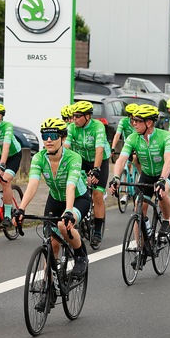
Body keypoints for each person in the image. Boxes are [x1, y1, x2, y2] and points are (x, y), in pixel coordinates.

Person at [13, 118, 90, 301]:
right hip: (55, 199)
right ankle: (49, 286)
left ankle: (80, 256)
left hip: (78, 198)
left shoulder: (73, 158)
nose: (48, 140)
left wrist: (69, 211)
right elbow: (32, 184)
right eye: (45, 136)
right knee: (52, 243)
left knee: (64, 226)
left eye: (53, 136)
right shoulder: (39, 158)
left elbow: (71, 186)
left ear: (62, 138)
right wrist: (21, 209)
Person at [110, 104, 170, 268]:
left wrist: (162, 179)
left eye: (137, 121)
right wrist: (116, 177)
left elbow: (168, 160)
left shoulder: (165, 136)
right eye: (132, 120)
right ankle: (141, 248)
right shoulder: (133, 138)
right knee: (139, 209)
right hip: (147, 174)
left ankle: (167, 220)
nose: (133, 124)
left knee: (162, 192)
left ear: (149, 123)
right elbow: (121, 159)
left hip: (165, 172)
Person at [65, 100, 111, 248]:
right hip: (83, 160)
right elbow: (66, 146)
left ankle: (97, 231)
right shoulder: (72, 127)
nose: (75, 119)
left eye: (78, 116)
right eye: (73, 116)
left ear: (87, 116)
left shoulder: (97, 126)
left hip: (99, 160)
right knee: (76, 188)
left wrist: (96, 169)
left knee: (97, 194)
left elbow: (99, 149)